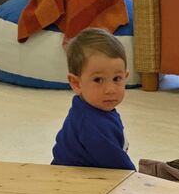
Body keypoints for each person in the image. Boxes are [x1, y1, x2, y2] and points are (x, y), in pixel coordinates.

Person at [51, 28, 135, 171]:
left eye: (117, 79)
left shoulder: (91, 108)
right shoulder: (92, 125)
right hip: (75, 181)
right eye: (98, 80)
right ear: (76, 83)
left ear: (125, 77)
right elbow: (121, 171)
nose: (110, 89)